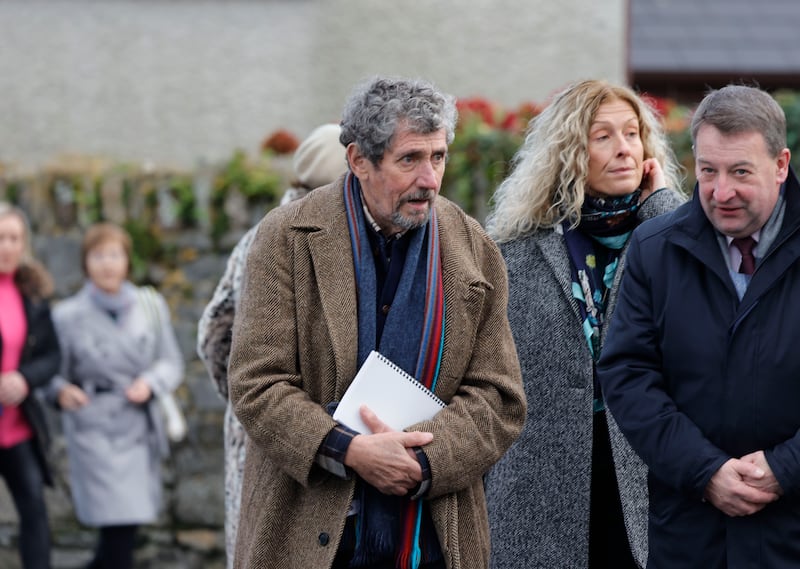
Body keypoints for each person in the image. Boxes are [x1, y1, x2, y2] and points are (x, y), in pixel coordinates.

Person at [227, 76, 526, 569]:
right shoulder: (286, 238)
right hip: (309, 533)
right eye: (409, 159)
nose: (430, 179)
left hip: (434, 538)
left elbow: (499, 397)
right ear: (359, 161)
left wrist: (422, 461)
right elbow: (257, 383)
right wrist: (350, 450)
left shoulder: (475, 251)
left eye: (439, 157)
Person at [483, 79, 685, 569]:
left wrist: (659, 209)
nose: (624, 150)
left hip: (646, 482)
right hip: (539, 493)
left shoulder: (670, 238)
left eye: (633, 133)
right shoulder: (517, 251)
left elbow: (694, 305)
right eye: (603, 136)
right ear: (571, 150)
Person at [596, 84, 800, 567]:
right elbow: (628, 375)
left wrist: (785, 468)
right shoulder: (656, 248)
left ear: (781, 164)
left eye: (740, 172)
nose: (720, 191)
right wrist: (704, 471)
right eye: (708, 171)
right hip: (690, 534)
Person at [196, 122, 348, 569]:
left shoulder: (264, 234)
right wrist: (259, 401)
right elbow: (216, 335)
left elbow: (212, 335)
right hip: (274, 432)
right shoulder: (285, 237)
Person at [46, 223, 184, 569]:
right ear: (85, 263)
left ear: (127, 261)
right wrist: (61, 391)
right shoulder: (66, 316)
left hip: (137, 427)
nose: (107, 264)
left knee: (125, 530)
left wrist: (150, 383)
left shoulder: (149, 305)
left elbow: (171, 362)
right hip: (93, 428)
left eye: (114, 255)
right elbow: (50, 373)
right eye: (98, 255)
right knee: (116, 530)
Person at [0, 202, 60, 569]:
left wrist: (25, 378)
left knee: (35, 510)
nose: (7, 246)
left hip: (18, 428)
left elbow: (52, 356)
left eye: (14, 238)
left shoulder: (33, 293)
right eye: (0, 238)